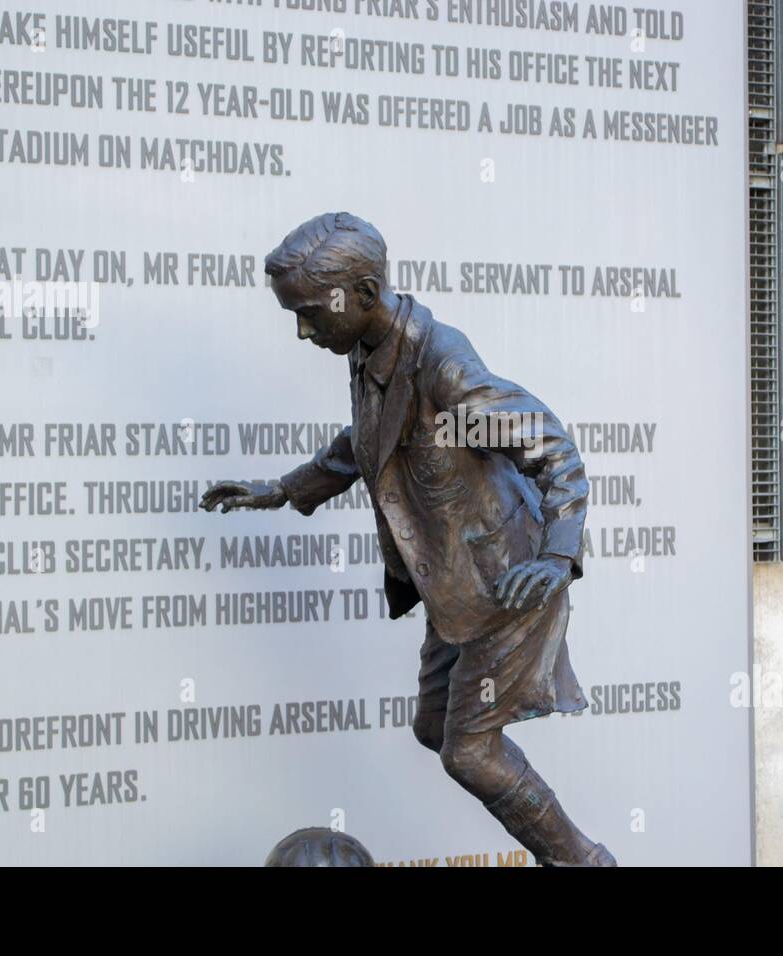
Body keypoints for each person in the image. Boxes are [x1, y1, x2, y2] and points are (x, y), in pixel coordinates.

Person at [202, 212, 614, 867]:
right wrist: (284, 488)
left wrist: (559, 553)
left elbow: (551, 446)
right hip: (455, 586)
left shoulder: (440, 362)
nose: (303, 329)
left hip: (507, 580)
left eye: (310, 312)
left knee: (469, 753)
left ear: (363, 295)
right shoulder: (369, 351)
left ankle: (582, 862)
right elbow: (363, 446)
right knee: (435, 729)